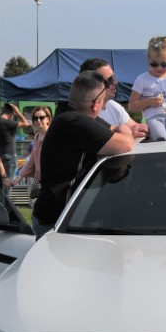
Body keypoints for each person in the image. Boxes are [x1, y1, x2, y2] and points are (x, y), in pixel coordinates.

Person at [31, 71, 136, 236]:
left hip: (57, 216)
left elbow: (109, 129)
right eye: (102, 102)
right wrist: (125, 130)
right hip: (57, 221)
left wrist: (121, 130)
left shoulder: (68, 115)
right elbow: (126, 143)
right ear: (95, 105)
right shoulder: (75, 122)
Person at [128, 36, 166, 141]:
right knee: (160, 136)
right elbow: (132, 106)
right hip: (152, 118)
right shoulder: (142, 79)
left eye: (164, 64)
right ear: (148, 60)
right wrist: (149, 102)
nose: (159, 68)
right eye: (154, 64)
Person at [79, 58, 149, 139]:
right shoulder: (85, 115)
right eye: (109, 79)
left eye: (114, 76)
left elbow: (137, 128)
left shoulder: (113, 106)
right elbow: (103, 143)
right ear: (92, 84)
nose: (115, 82)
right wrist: (128, 134)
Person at [0, 102, 30, 199]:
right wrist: (19, 112)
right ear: (12, 113)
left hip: (0, 155)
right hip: (10, 154)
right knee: (9, 183)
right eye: (13, 115)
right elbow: (26, 123)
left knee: (3, 181)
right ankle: (5, 204)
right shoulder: (8, 122)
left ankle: (2, 201)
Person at [18, 106, 52, 209]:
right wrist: (19, 176)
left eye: (41, 117)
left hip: (49, 182)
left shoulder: (52, 135)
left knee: (45, 210)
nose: (38, 121)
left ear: (48, 118)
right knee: (34, 206)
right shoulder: (37, 136)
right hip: (38, 180)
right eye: (35, 118)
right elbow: (32, 159)